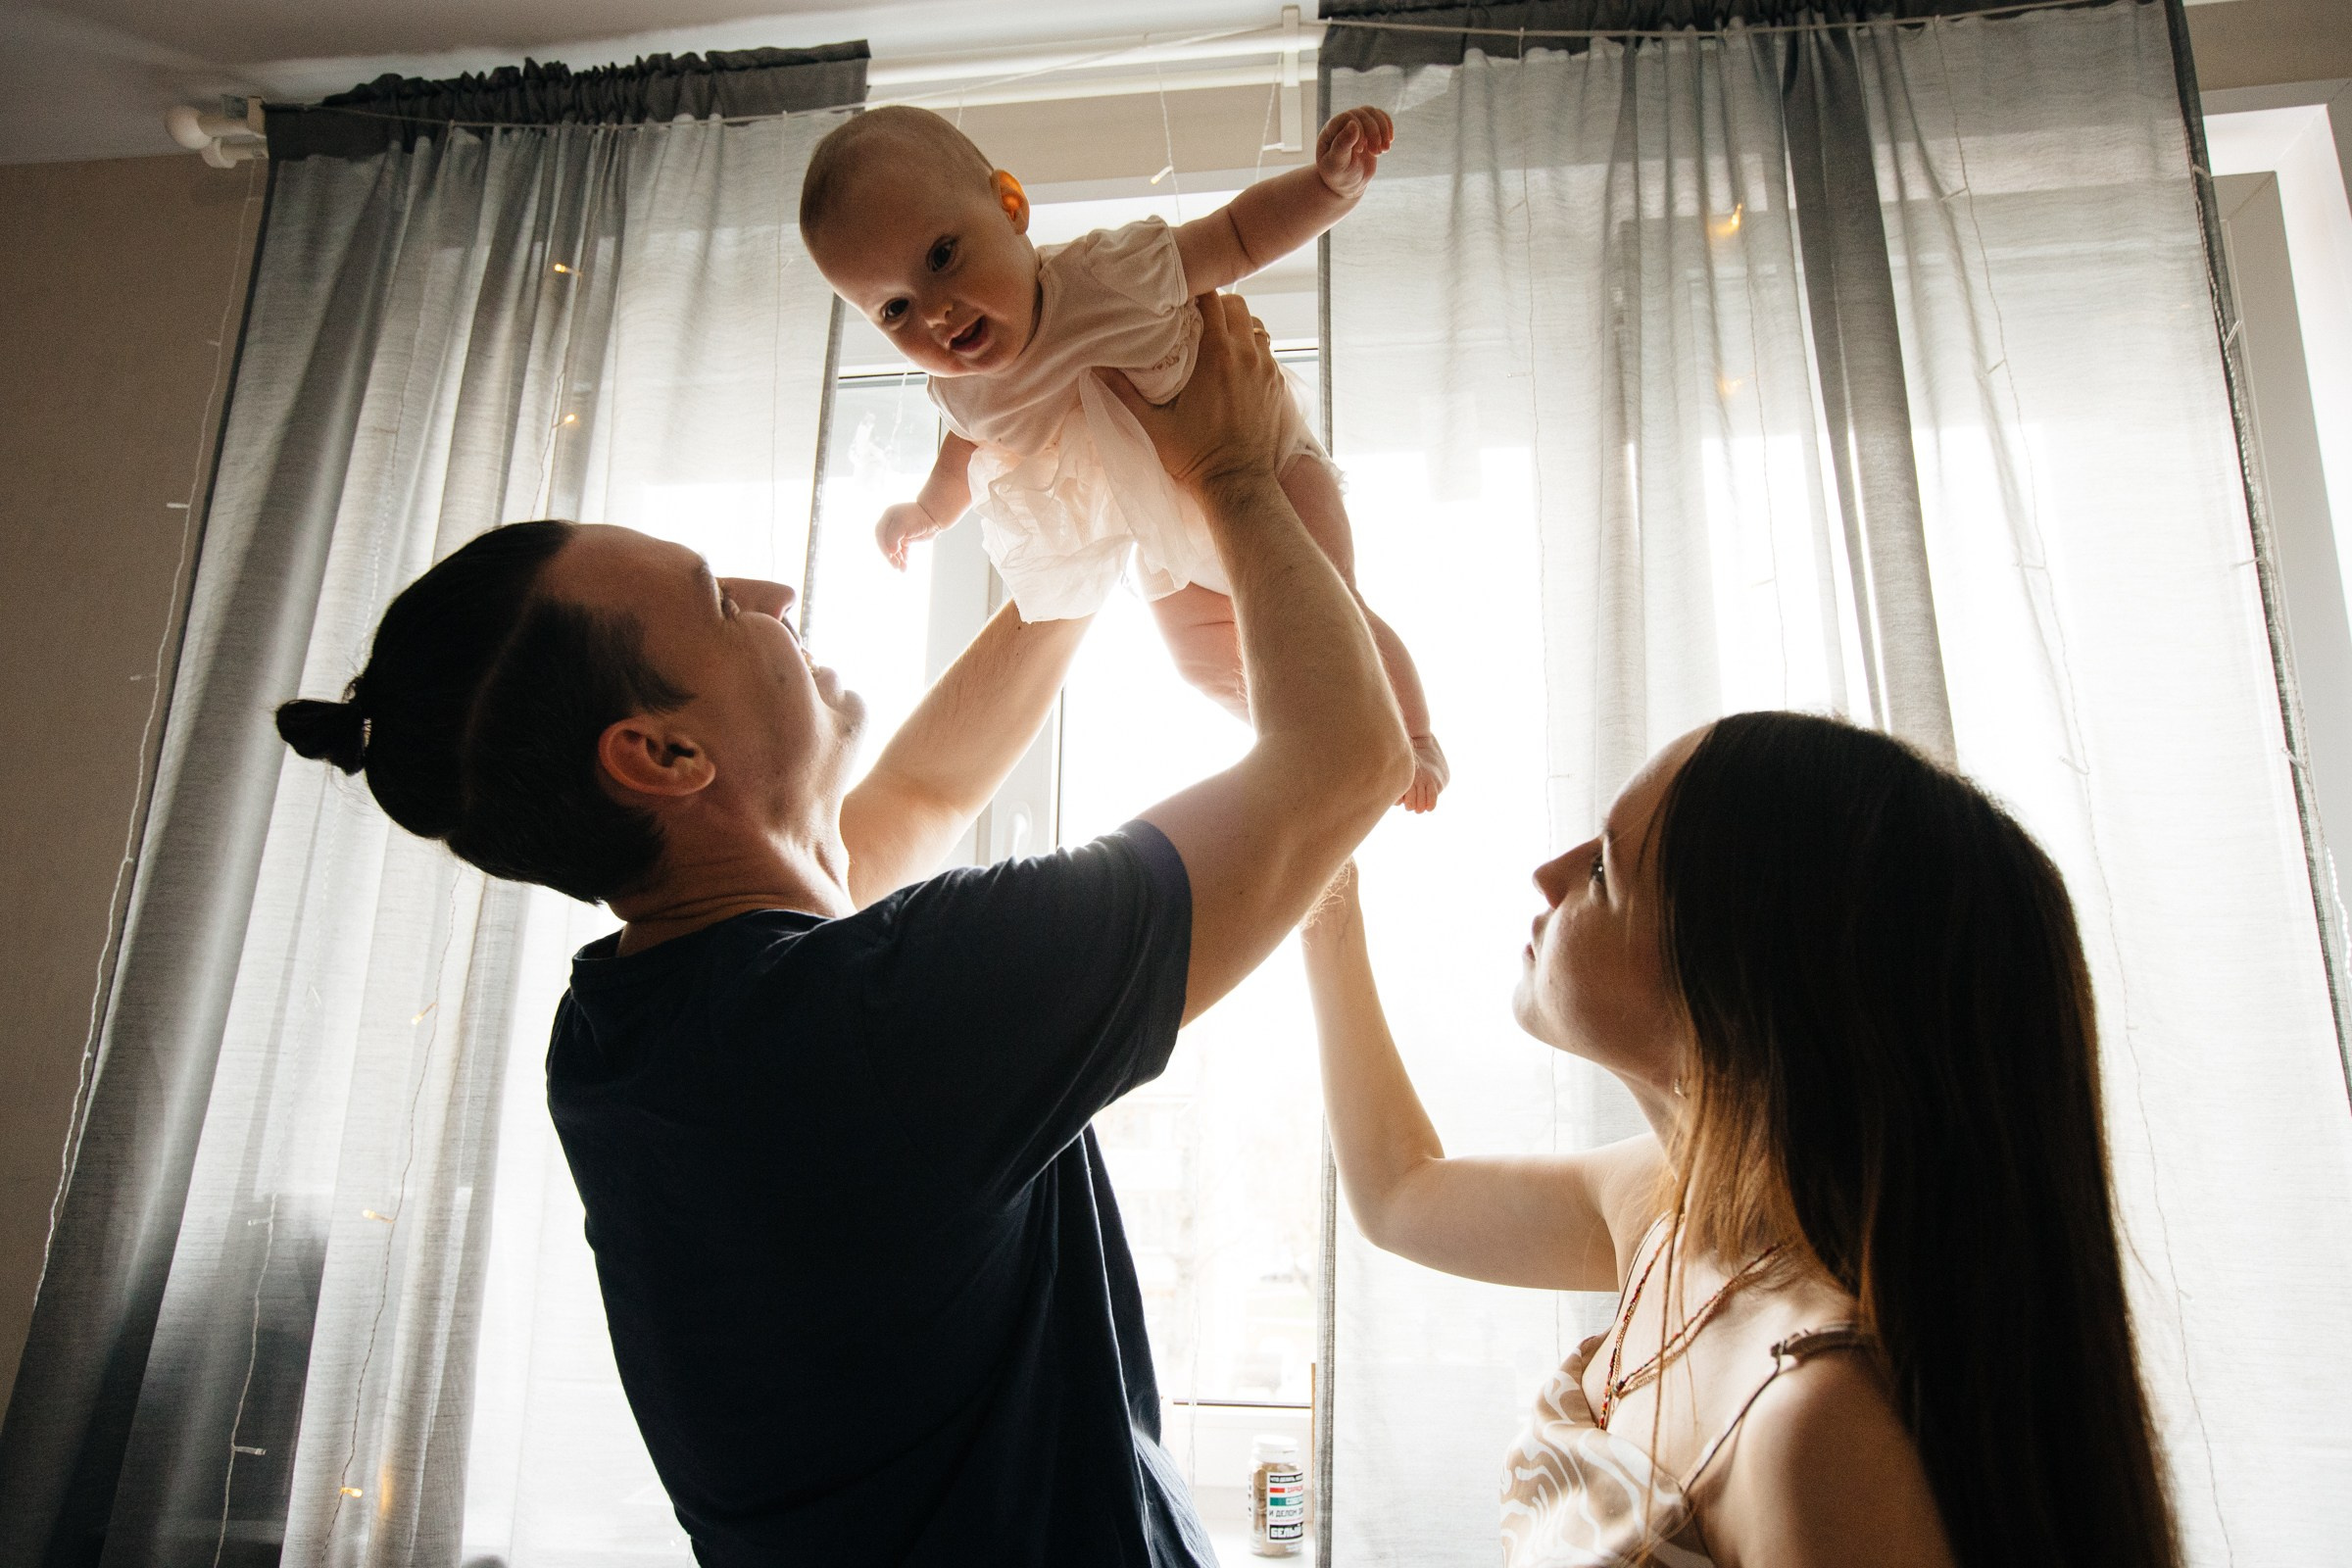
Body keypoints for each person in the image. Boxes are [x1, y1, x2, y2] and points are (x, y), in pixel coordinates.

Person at [276, 297, 1413, 1565]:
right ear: (662, 753)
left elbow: (918, 805)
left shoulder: (632, 1033)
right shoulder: (875, 1023)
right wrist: (1230, 472)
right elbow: (1350, 761)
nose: (771, 592)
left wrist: (1093, 513)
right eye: (717, 602)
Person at [1302, 712, 2180, 1568]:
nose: (1548, 873)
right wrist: (1317, 871)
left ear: (1736, 990)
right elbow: (1401, 1191)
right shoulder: (1664, 1208)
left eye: (1606, 867)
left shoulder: (1822, 1429)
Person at [797, 104, 1449, 811]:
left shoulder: (1112, 273)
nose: (936, 312)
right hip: (1162, 529)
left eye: (942, 257)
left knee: (1334, 604)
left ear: (1009, 206)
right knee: (1198, 662)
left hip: (1267, 462)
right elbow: (963, 456)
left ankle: (1413, 737)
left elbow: (1235, 236)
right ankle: (1314, 740)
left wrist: (1328, 188)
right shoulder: (965, 392)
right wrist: (926, 509)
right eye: (894, 310)